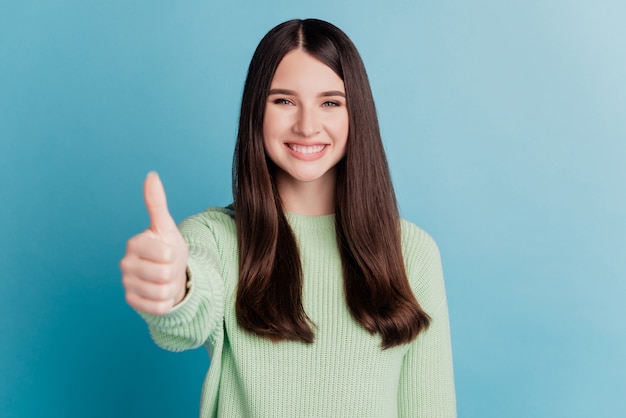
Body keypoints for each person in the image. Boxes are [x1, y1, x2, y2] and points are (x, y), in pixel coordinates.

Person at [120, 18, 456, 418]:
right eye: (283, 101)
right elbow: (186, 320)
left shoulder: (412, 252)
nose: (307, 126)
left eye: (330, 102)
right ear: (255, 112)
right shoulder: (216, 237)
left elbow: (430, 408)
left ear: (356, 115)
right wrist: (174, 287)